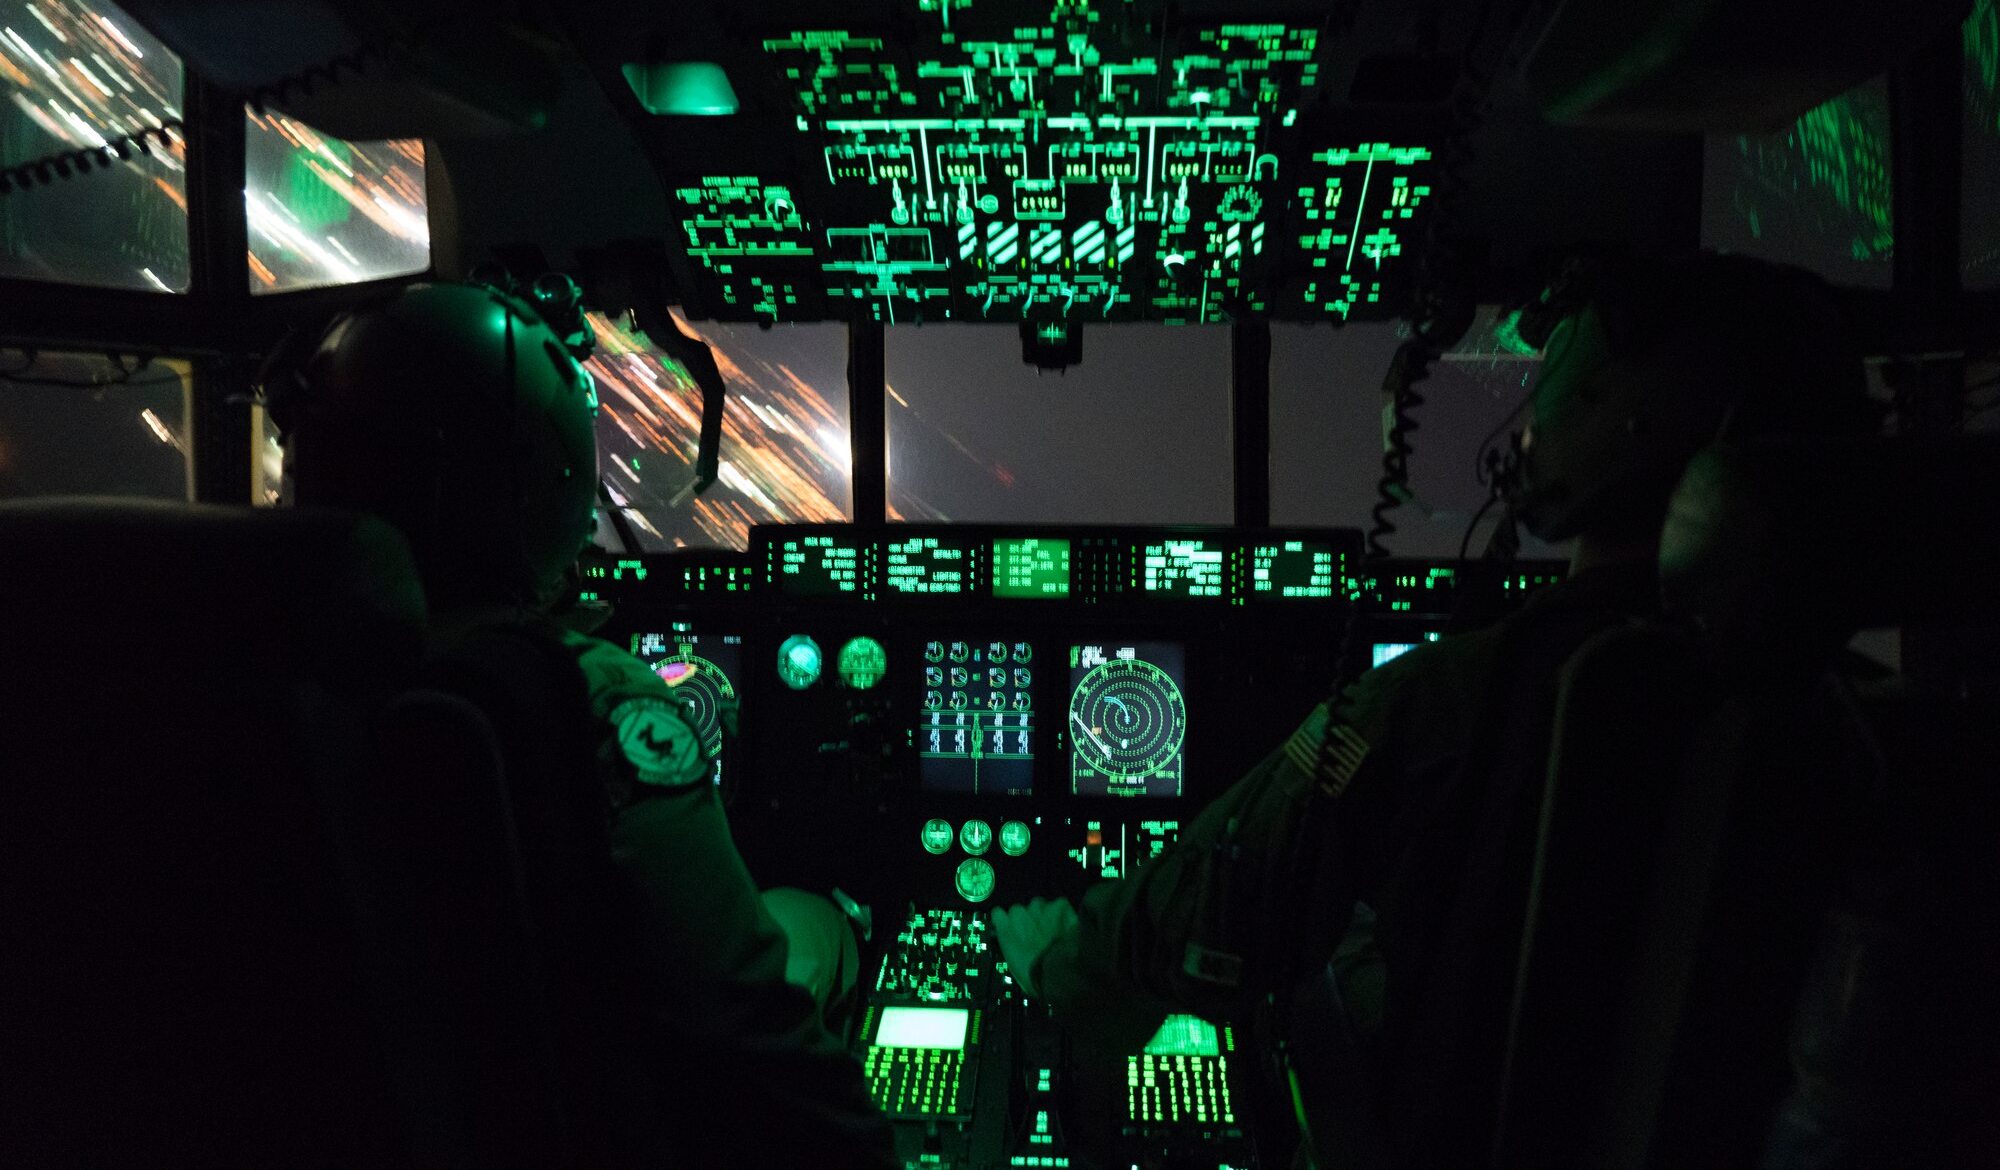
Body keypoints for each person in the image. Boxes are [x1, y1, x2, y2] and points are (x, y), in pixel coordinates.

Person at [991, 253, 1873, 1167]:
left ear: (1625, 418)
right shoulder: (1861, 720)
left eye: (1556, 379)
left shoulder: (1463, 697)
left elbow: (1226, 900)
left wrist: (1065, 963)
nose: (1533, 414)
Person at [274, 278, 895, 1168]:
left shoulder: (238, 668)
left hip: (348, 1113)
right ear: (549, 476)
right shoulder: (582, 696)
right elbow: (746, 1022)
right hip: (565, 1109)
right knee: (811, 922)